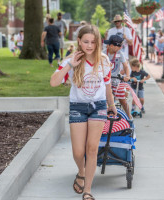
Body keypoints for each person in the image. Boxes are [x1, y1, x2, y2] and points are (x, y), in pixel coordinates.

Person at [50, 25, 117, 200]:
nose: (89, 45)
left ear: (98, 43)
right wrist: (70, 65)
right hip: (78, 107)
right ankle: (82, 171)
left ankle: (88, 190)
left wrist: (111, 104)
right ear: (79, 41)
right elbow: (53, 83)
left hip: (99, 106)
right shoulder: (71, 61)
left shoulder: (103, 60)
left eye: (93, 42)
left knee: (92, 149)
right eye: (86, 41)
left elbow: (107, 85)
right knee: (78, 152)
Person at [103, 34, 132, 119]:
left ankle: (129, 116)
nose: (120, 48)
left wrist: (127, 75)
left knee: (122, 99)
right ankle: (105, 117)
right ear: (111, 46)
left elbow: (126, 66)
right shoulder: (103, 54)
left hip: (116, 79)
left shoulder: (120, 53)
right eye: (119, 46)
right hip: (105, 80)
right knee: (105, 99)